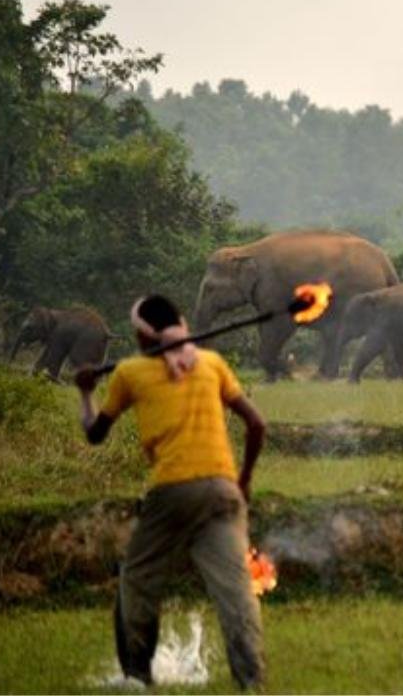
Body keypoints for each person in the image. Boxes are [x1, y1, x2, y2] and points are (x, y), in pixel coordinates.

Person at [74, 294, 267, 688]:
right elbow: (257, 425)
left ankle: (136, 675)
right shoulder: (211, 364)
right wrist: (243, 480)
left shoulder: (130, 372)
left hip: (172, 489)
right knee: (236, 591)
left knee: (138, 579)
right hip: (224, 491)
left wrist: (86, 392)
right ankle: (251, 679)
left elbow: (95, 434)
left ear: (144, 338)